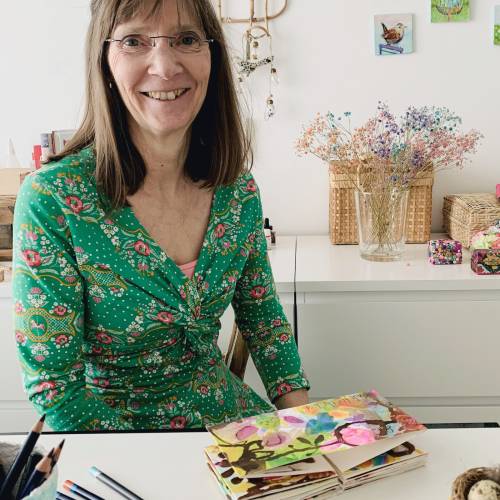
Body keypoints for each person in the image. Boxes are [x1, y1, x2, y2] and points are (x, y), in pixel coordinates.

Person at [13, 0, 309, 432]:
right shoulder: (54, 199)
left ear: (212, 56)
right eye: (134, 41)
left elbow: (262, 319)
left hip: (233, 432)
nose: (165, 66)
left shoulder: (237, 192)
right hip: (115, 445)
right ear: (105, 61)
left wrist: (307, 428)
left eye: (186, 39)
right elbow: (55, 388)